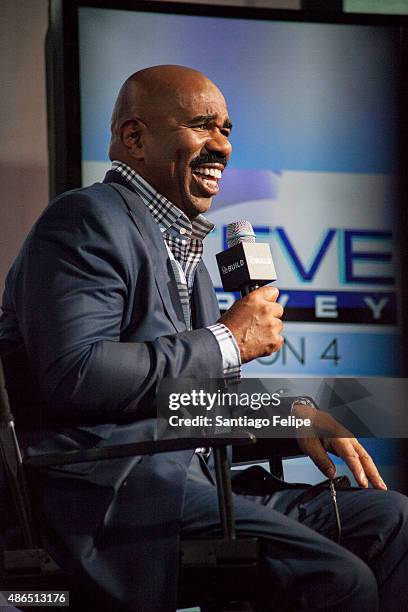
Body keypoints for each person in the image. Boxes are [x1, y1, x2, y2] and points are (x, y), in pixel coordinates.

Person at [0, 65, 407, 611]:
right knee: (336, 578)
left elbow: (188, 402)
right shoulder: (84, 219)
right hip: (115, 500)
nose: (222, 145)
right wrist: (229, 340)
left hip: (191, 482)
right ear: (135, 138)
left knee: (391, 518)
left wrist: (289, 416)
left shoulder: (186, 255)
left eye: (228, 129)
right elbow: (76, 375)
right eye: (201, 126)